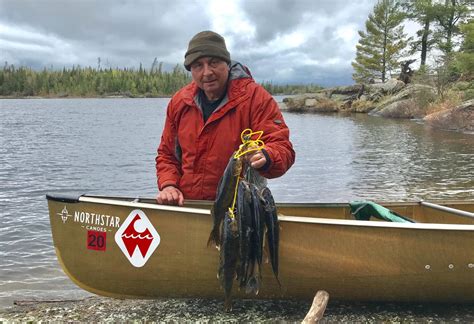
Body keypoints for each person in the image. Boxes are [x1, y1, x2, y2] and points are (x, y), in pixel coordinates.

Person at [156, 30, 295, 206]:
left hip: (241, 210)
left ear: (226, 63)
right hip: (188, 205)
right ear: (191, 69)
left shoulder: (255, 98)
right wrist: (169, 185)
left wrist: (268, 156)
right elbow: (167, 154)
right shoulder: (180, 102)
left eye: (213, 63)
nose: (206, 72)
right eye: (198, 65)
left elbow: (283, 148)